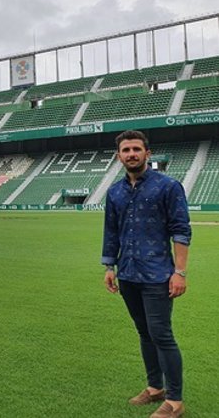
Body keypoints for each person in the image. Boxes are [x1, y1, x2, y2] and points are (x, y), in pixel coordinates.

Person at [102, 130, 191, 418]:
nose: (131, 154)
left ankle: (175, 400)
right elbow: (111, 231)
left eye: (136, 149)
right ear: (119, 156)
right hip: (127, 274)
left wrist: (179, 272)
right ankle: (155, 387)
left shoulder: (168, 186)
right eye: (125, 150)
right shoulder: (114, 192)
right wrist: (109, 267)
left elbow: (181, 230)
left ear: (147, 153)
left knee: (161, 334)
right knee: (144, 333)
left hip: (157, 275)